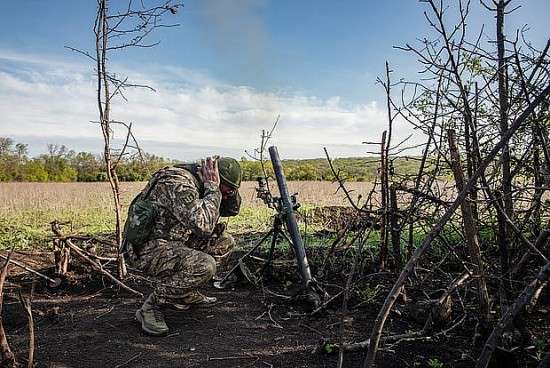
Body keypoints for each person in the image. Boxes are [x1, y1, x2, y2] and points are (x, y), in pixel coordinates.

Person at [122, 157, 242, 336]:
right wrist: (212, 188)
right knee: (204, 265)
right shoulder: (178, 183)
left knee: (224, 242)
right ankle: (151, 306)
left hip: (174, 240)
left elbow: (231, 210)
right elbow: (203, 225)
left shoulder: (201, 182)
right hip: (147, 248)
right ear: (214, 178)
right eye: (228, 189)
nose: (228, 194)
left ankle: (184, 292)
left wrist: (226, 193)